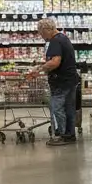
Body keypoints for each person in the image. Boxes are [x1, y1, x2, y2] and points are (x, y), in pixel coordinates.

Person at [28, 18, 79, 146]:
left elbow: (55, 62)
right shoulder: (63, 38)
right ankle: (70, 135)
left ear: (47, 30)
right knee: (69, 109)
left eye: (41, 33)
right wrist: (43, 64)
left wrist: (39, 69)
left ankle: (61, 135)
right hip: (70, 80)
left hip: (60, 81)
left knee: (57, 109)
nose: (41, 36)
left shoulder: (55, 41)